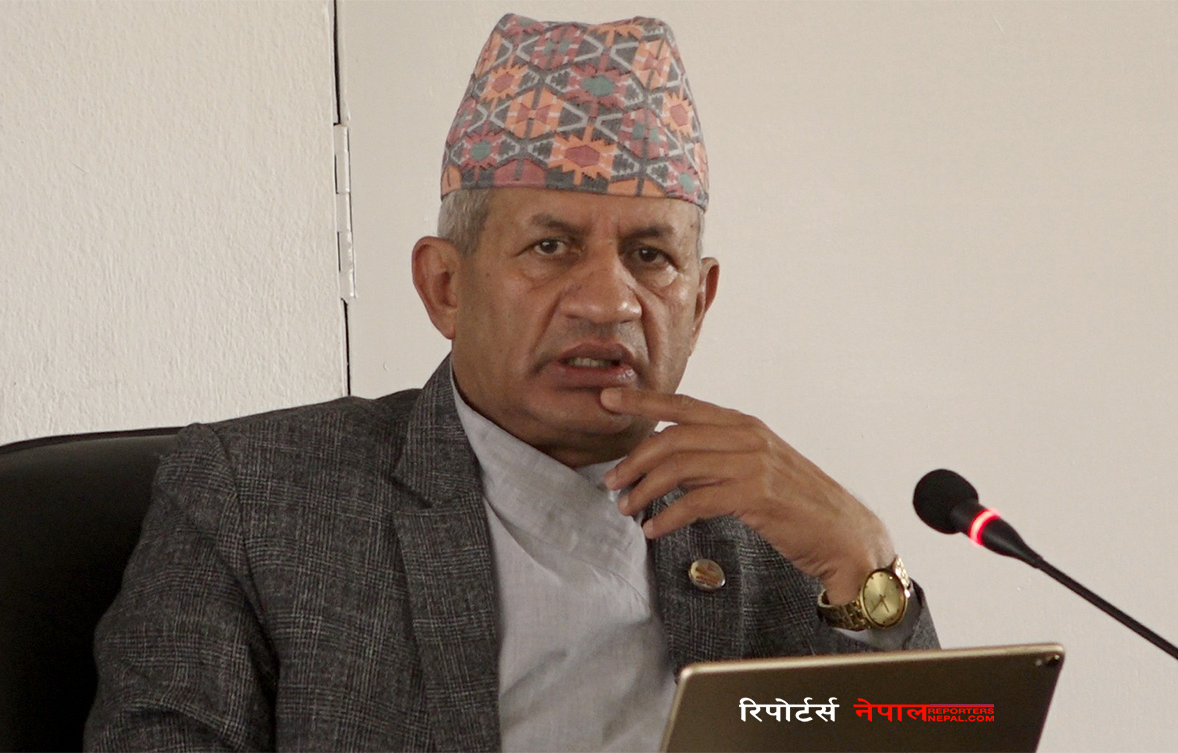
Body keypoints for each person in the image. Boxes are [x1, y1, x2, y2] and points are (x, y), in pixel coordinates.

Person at [86, 13, 937, 751]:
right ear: (444, 286)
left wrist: (866, 563)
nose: (610, 301)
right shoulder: (256, 498)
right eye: (551, 247)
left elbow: (934, 729)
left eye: (650, 255)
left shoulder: (772, 529)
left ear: (701, 300)